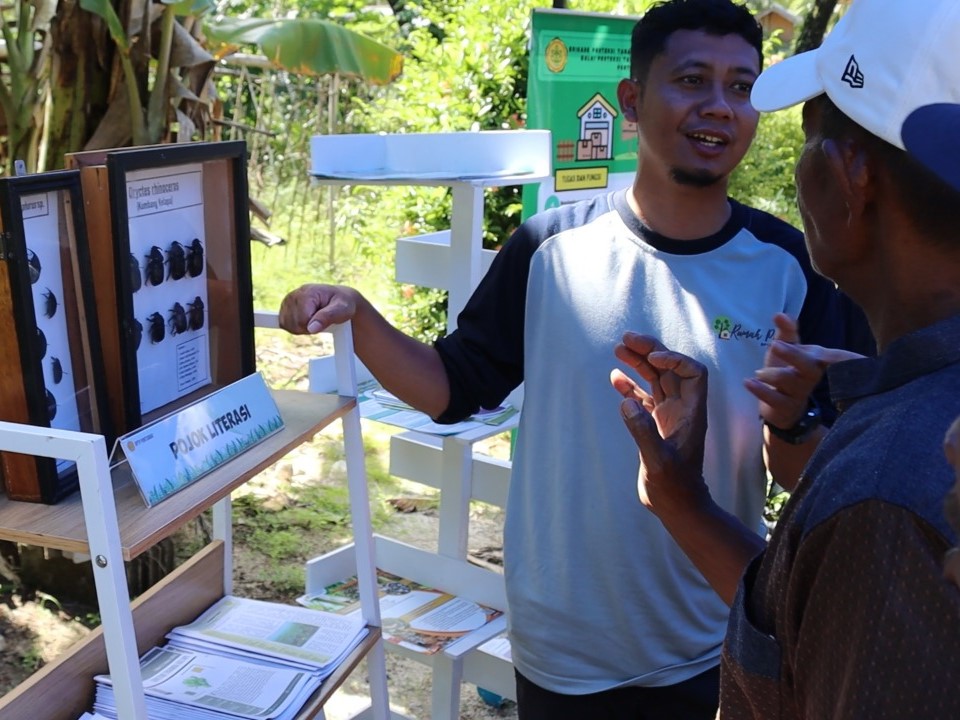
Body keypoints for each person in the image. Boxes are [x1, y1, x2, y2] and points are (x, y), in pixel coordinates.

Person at [279, 1, 866, 717]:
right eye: (691, 79)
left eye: (741, 87)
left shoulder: (791, 269)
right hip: (563, 640)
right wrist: (360, 317)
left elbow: (820, 471)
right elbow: (453, 388)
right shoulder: (548, 249)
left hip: (712, 632)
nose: (719, 107)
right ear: (631, 99)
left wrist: (795, 423)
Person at [613, 0, 960, 717]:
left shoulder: (885, 494)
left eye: (807, 137)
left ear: (847, 176)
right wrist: (709, 488)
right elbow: (820, 613)